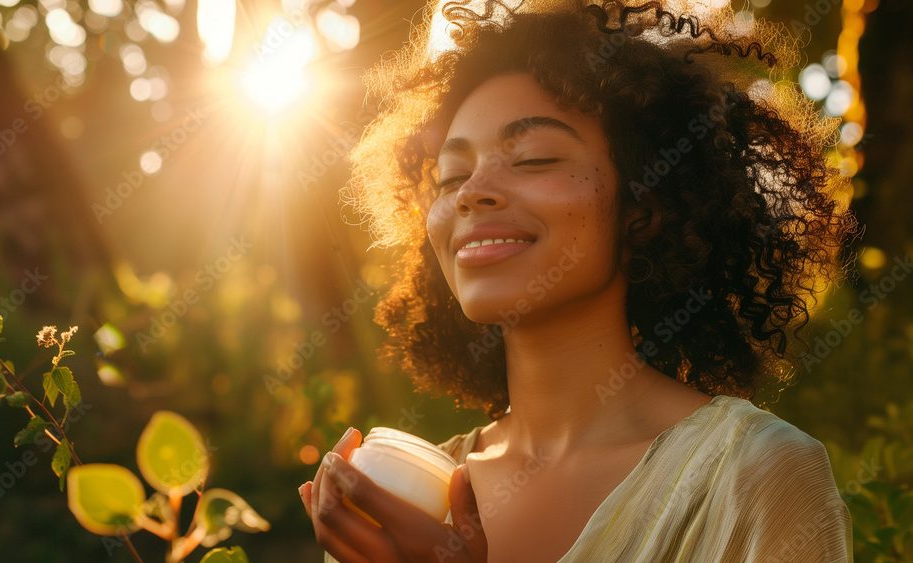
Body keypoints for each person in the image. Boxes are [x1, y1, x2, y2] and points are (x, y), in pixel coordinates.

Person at [297, 0, 859, 561]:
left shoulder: (756, 475)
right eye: (452, 176)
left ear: (645, 206)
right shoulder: (407, 495)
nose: (471, 192)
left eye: (535, 158)